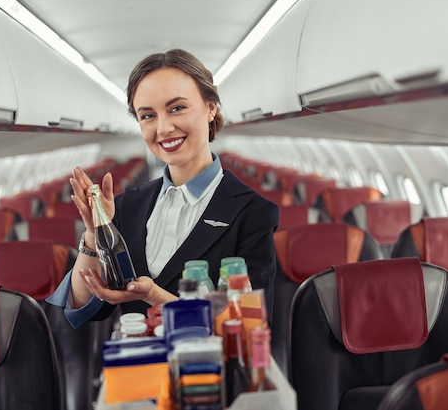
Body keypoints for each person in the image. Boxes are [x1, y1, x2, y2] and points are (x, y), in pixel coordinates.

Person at [46, 49, 279, 328]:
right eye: (148, 116)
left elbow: (248, 323)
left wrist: (155, 296)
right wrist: (95, 235)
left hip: (210, 367)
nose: (164, 127)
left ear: (210, 108)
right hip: (137, 363)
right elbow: (83, 306)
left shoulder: (253, 213)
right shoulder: (126, 206)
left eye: (177, 108)